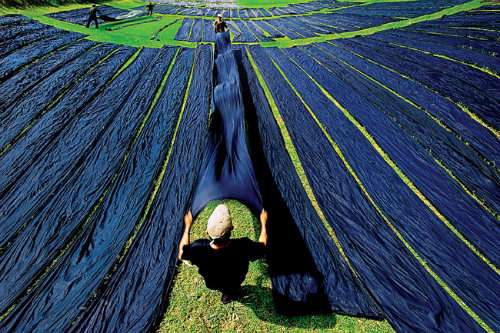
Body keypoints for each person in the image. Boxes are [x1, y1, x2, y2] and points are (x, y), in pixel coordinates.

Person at [178, 204, 268, 304]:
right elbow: (261, 248)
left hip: (213, 283)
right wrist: (264, 224)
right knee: (231, 288)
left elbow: (181, 254)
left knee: (221, 286)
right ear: (233, 228)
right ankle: (228, 295)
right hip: (235, 280)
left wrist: (187, 227)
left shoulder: (198, 248)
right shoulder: (243, 246)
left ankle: (226, 295)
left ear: (207, 232)